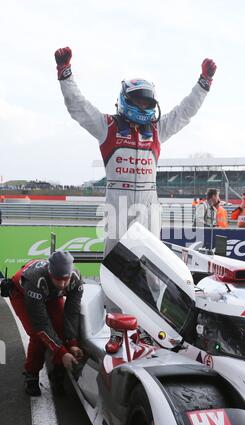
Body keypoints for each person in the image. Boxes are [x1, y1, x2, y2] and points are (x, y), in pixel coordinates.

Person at [55, 47, 217, 353]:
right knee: (116, 270)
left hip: (149, 208)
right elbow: (77, 106)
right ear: (126, 99)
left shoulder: (157, 129)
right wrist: (65, 73)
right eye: (139, 100)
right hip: (117, 206)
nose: (144, 105)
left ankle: (148, 332)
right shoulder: (108, 126)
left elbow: (185, 112)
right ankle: (117, 334)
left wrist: (203, 83)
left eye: (147, 101)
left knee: (151, 272)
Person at [9, 251, 83, 396]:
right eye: (58, 279)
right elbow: (41, 324)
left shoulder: (76, 279)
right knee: (37, 336)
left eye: (65, 279)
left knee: (60, 327)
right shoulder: (34, 281)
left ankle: (58, 373)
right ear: (50, 274)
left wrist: (72, 342)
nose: (62, 284)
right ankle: (31, 375)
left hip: (50, 293)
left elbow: (72, 313)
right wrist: (62, 352)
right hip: (22, 294)